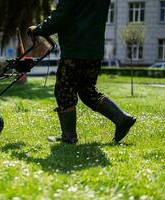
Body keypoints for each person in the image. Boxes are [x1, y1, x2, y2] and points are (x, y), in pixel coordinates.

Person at [28, 0, 136, 144]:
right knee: (87, 91)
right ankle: (122, 119)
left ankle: (69, 136)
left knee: (64, 92)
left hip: (74, 50)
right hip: (94, 51)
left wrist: (37, 29)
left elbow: (60, 17)